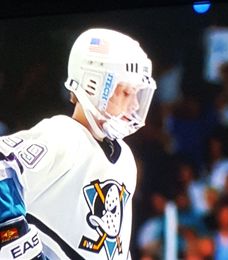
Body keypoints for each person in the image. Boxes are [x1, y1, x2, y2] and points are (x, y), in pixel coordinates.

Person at [0, 28, 156, 259]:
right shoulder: (63, 135)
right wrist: (14, 239)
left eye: (136, 94)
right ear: (94, 83)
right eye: (125, 92)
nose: (134, 105)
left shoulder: (125, 159)